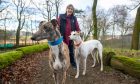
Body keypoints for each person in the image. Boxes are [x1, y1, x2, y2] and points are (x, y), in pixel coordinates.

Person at [58, 4, 80, 68]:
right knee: (62, 51)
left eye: (71, 9)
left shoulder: (74, 18)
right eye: (69, 8)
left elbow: (77, 26)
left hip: (70, 38)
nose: (70, 10)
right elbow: (58, 25)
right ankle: (62, 62)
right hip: (62, 37)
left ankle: (72, 63)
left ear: (73, 11)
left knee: (71, 51)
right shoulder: (61, 16)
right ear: (66, 9)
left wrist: (78, 31)